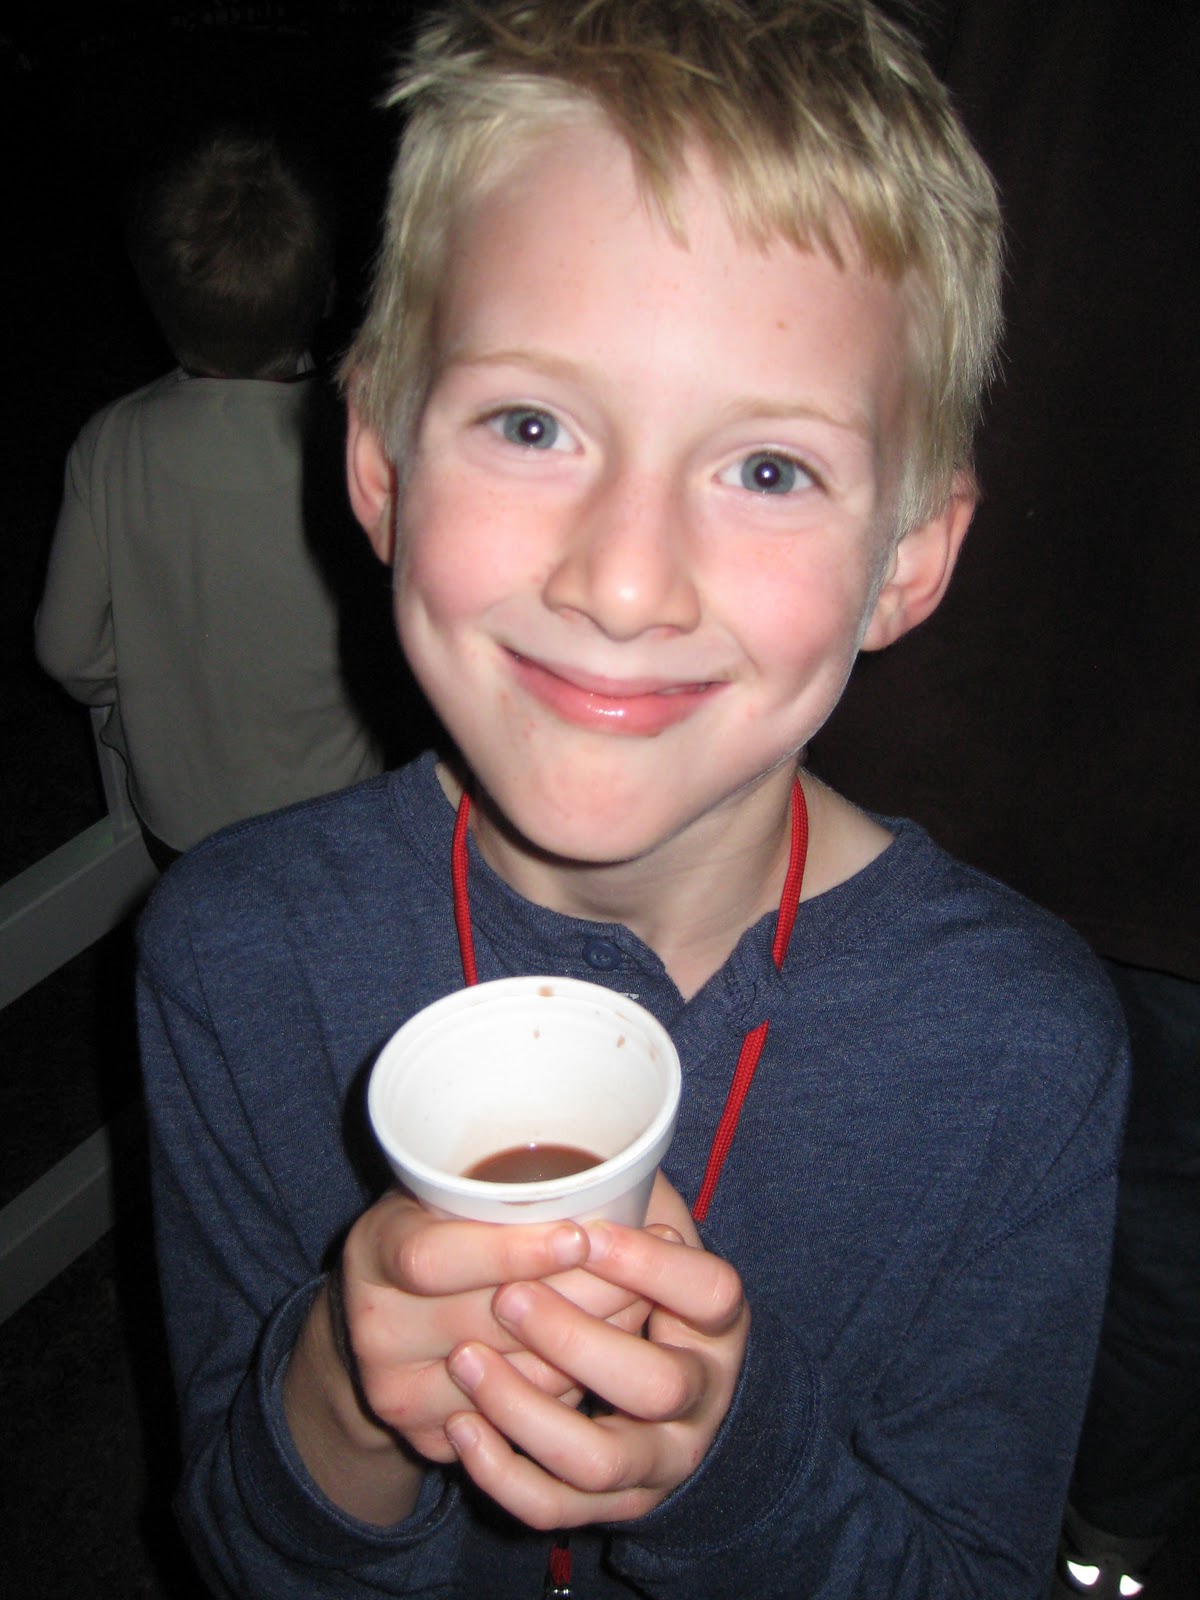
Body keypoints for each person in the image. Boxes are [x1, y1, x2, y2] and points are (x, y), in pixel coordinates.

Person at [134, 4, 1129, 1596]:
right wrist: (341, 1394)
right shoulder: (233, 954)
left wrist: (739, 1479)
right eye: (532, 426)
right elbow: (246, 1551)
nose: (622, 580)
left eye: (769, 469)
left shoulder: (1021, 1054)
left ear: (908, 559)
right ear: (380, 462)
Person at [812, 5, 1200, 1594]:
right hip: (972, 758)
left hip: (959, 746)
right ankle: (1087, 1539)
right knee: (1096, 1207)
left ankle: (1085, 1545)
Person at [34, 120, 386, 869]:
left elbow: (66, 648)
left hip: (187, 824)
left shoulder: (111, 444)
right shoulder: (362, 446)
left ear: (155, 302)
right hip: (338, 814)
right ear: (325, 290)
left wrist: (148, 686)